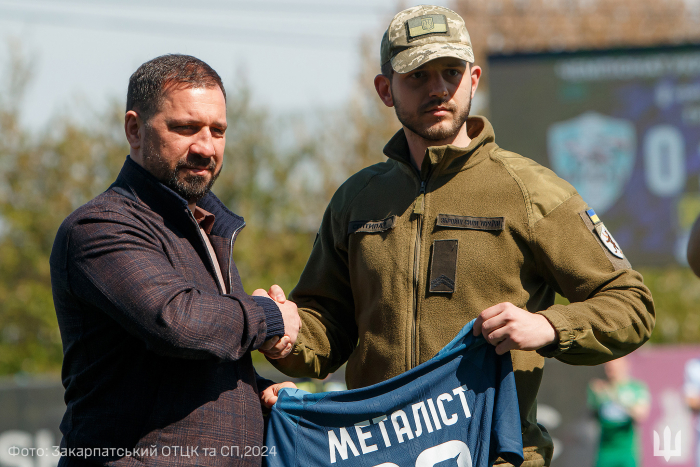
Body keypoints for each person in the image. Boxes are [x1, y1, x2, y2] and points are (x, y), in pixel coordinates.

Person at [258, 5, 656, 467]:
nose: (439, 88)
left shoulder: (532, 191)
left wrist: (548, 327)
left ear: (474, 79)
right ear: (385, 90)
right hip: (376, 456)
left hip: (497, 455)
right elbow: (327, 329)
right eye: (418, 76)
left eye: (451, 72)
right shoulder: (356, 200)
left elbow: (631, 304)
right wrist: (286, 335)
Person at [49, 54, 299, 467]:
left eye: (217, 131)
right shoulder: (98, 228)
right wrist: (270, 317)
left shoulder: (206, 228)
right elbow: (178, 322)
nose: (205, 147)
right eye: (185, 128)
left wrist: (259, 394)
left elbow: (183, 372)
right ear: (134, 129)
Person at [587, 357, 650, 467]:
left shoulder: (636, 388)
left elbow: (640, 414)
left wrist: (614, 394)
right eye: (608, 364)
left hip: (626, 450)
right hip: (605, 449)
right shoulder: (599, 388)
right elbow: (592, 413)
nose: (610, 367)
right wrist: (596, 396)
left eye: (615, 364)